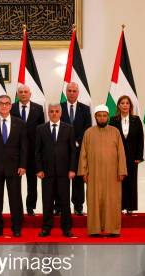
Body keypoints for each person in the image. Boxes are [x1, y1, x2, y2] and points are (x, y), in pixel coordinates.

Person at [77, 105, 127, 237]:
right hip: (94, 174)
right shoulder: (88, 132)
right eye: (99, 115)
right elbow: (83, 153)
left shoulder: (115, 132)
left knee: (112, 201)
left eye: (104, 115)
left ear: (108, 117)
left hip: (113, 175)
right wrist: (83, 171)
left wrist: (122, 170)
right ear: (95, 117)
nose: (102, 118)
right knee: (94, 201)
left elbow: (121, 153)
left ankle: (113, 229)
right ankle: (94, 229)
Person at [0, 95, 27, 237]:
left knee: (15, 199)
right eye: (1, 103)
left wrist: (23, 165)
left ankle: (17, 228)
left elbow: (24, 147)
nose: (4, 106)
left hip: (14, 168)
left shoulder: (20, 123)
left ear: (11, 106)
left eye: (7, 103)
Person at [35, 103, 76, 237]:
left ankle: (67, 228)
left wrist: (72, 169)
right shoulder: (41, 129)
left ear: (61, 113)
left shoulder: (69, 128)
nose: (54, 113)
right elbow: (37, 151)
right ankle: (46, 227)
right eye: (51, 111)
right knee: (47, 201)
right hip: (46, 173)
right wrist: (39, 169)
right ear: (48, 112)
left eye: (56, 111)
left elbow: (73, 151)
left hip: (64, 172)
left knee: (65, 201)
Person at [11, 84, 45, 216]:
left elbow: (42, 130)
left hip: (32, 151)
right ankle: (17, 208)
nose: (23, 94)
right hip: (15, 151)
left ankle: (30, 206)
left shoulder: (38, 108)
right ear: (17, 94)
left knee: (32, 181)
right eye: (21, 92)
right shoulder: (11, 108)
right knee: (15, 182)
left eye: (26, 92)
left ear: (30, 94)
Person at [61, 82, 92, 215]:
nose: (72, 93)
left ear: (78, 93)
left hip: (79, 151)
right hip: (62, 150)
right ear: (66, 92)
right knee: (62, 179)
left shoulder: (85, 109)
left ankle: (78, 206)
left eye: (74, 91)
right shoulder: (59, 107)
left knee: (79, 179)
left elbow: (88, 128)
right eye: (69, 90)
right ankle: (60, 206)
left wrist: (77, 142)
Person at [109, 95, 144, 215]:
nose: (125, 105)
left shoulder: (136, 119)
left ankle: (130, 207)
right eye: (122, 103)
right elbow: (110, 139)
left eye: (127, 103)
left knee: (132, 182)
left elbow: (141, 139)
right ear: (118, 105)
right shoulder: (113, 120)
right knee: (118, 182)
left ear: (130, 106)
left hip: (133, 157)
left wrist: (139, 156)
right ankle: (120, 206)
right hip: (117, 157)